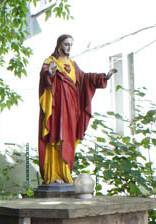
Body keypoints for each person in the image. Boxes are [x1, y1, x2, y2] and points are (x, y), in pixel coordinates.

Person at [38, 34, 116, 184]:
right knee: (56, 138)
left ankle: (65, 174)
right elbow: (44, 78)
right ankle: (53, 175)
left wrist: (102, 78)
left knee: (68, 139)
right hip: (56, 109)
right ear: (59, 45)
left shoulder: (72, 64)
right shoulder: (50, 62)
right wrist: (50, 73)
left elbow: (84, 78)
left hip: (71, 109)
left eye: (70, 45)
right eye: (66, 44)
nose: (69, 47)